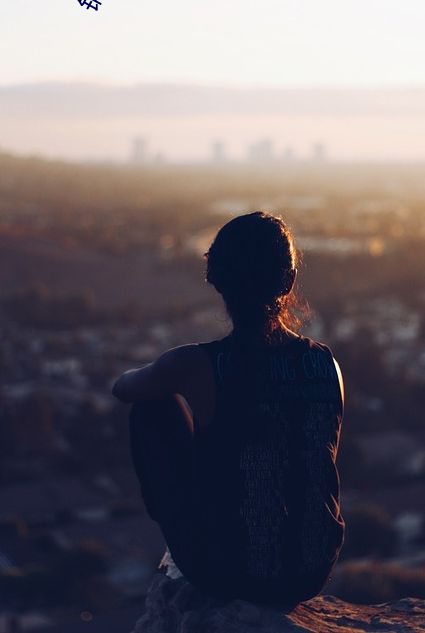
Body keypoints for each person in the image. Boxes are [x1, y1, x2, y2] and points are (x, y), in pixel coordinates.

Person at [112, 211, 344, 608]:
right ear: (288, 282)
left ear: (217, 281)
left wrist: (169, 372)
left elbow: (123, 388)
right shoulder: (327, 364)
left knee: (151, 408)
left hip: (226, 573)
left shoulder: (194, 365)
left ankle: (183, 541)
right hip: (311, 572)